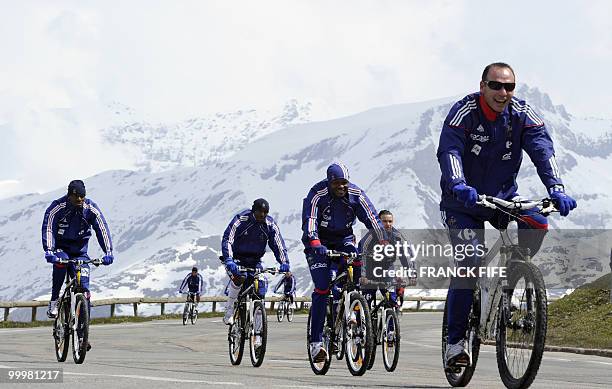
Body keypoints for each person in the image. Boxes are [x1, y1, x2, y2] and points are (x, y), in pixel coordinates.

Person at [436, 62, 577, 367]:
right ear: (482, 85)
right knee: (470, 262)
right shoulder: (464, 112)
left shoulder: (523, 114)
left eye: (509, 87)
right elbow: (449, 151)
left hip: (501, 197)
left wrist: (557, 187)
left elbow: (542, 149)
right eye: (496, 85)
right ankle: (455, 343)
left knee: (538, 220)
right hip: (463, 201)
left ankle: (513, 276)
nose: (503, 92)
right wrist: (459, 184)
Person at [302, 162, 386, 362]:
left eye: (344, 183)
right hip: (319, 244)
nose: (341, 187)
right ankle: (316, 343)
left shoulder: (356, 194)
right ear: (330, 182)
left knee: (357, 266)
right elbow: (310, 221)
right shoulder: (317, 194)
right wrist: (315, 242)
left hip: (344, 241)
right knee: (322, 288)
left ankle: (353, 305)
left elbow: (372, 218)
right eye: (337, 183)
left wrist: (382, 239)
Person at [42, 180, 114, 350]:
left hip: (80, 252)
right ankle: (54, 300)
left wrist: (108, 253)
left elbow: (102, 229)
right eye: (77, 196)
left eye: (83, 196)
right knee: (60, 264)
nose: (80, 199)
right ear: (70, 195)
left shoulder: (90, 209)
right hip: (60, 249)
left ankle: (82, 337)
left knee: (84, 290)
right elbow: (48, 228)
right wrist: (50, 250)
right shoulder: (56, 208)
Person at [221, 198, 291, 333]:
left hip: (255, 261)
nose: (262, 215)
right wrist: (229, 259)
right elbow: (228, 239)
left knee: (260, 290)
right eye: (260, 212)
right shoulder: (241, 219)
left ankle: (258, 336)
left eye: (265, 212)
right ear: (253, 211)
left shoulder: (270, 224)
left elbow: (278, 244)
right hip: (237, 259)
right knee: (239, 278)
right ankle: (229, 309)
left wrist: (284, 262)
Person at [358, 209, 414, 311]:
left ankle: (391, 325)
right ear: (378, 222)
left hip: (387, 268)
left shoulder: (397, 236)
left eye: (390, 221)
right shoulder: (371, 235)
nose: (388, 224)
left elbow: (406, 256)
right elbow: (362, 255)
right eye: (384, 221)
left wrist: (412, 275)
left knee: (391, 300)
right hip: (370, 269)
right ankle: (364, 323)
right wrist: (363, 275)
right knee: (366, 301)